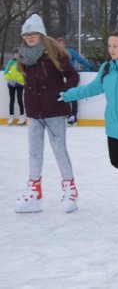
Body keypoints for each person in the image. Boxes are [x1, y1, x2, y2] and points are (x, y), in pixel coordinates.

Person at [61, 30, 118, 219]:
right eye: (109, 46)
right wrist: (67, 95)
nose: (111, 49)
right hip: (114, 124)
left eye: (115, 46)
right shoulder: (107, 68)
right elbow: (93, 88)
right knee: (116, 161)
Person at [15, 14, 80, 213]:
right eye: (27, 34)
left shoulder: (55, 53)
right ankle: (34, 192)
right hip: (34, 111)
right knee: (34, 152)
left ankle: (70, 189)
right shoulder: (24, 55)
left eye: (33, 33)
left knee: (59, 149)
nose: (30, 37)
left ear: (41, 34)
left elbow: (73, 75)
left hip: (54, 110)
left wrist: (64, 93)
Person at [56, 37, 95, 125]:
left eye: (63, 43)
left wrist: (91, 67)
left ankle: (73, 115)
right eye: (59, 43)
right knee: (61, 95)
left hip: (70, 76)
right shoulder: (55, 54)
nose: (61, 44)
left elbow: (80, 60)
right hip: (60, 76)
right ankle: (66, 114)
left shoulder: (70, 52)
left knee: (72, 94)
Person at [4, 48, 26, 125]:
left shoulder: (22, 63)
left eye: (17, 53)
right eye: (15, 53)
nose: (16, 54)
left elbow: (23, 73)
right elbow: (7, 72)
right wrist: (9, 79)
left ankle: (22, 116)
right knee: (12, 100)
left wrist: (17, 80)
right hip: (11, 84)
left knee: (20, 99)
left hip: (19, 84)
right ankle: (11, 116)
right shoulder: (10, 63)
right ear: (13, 54)